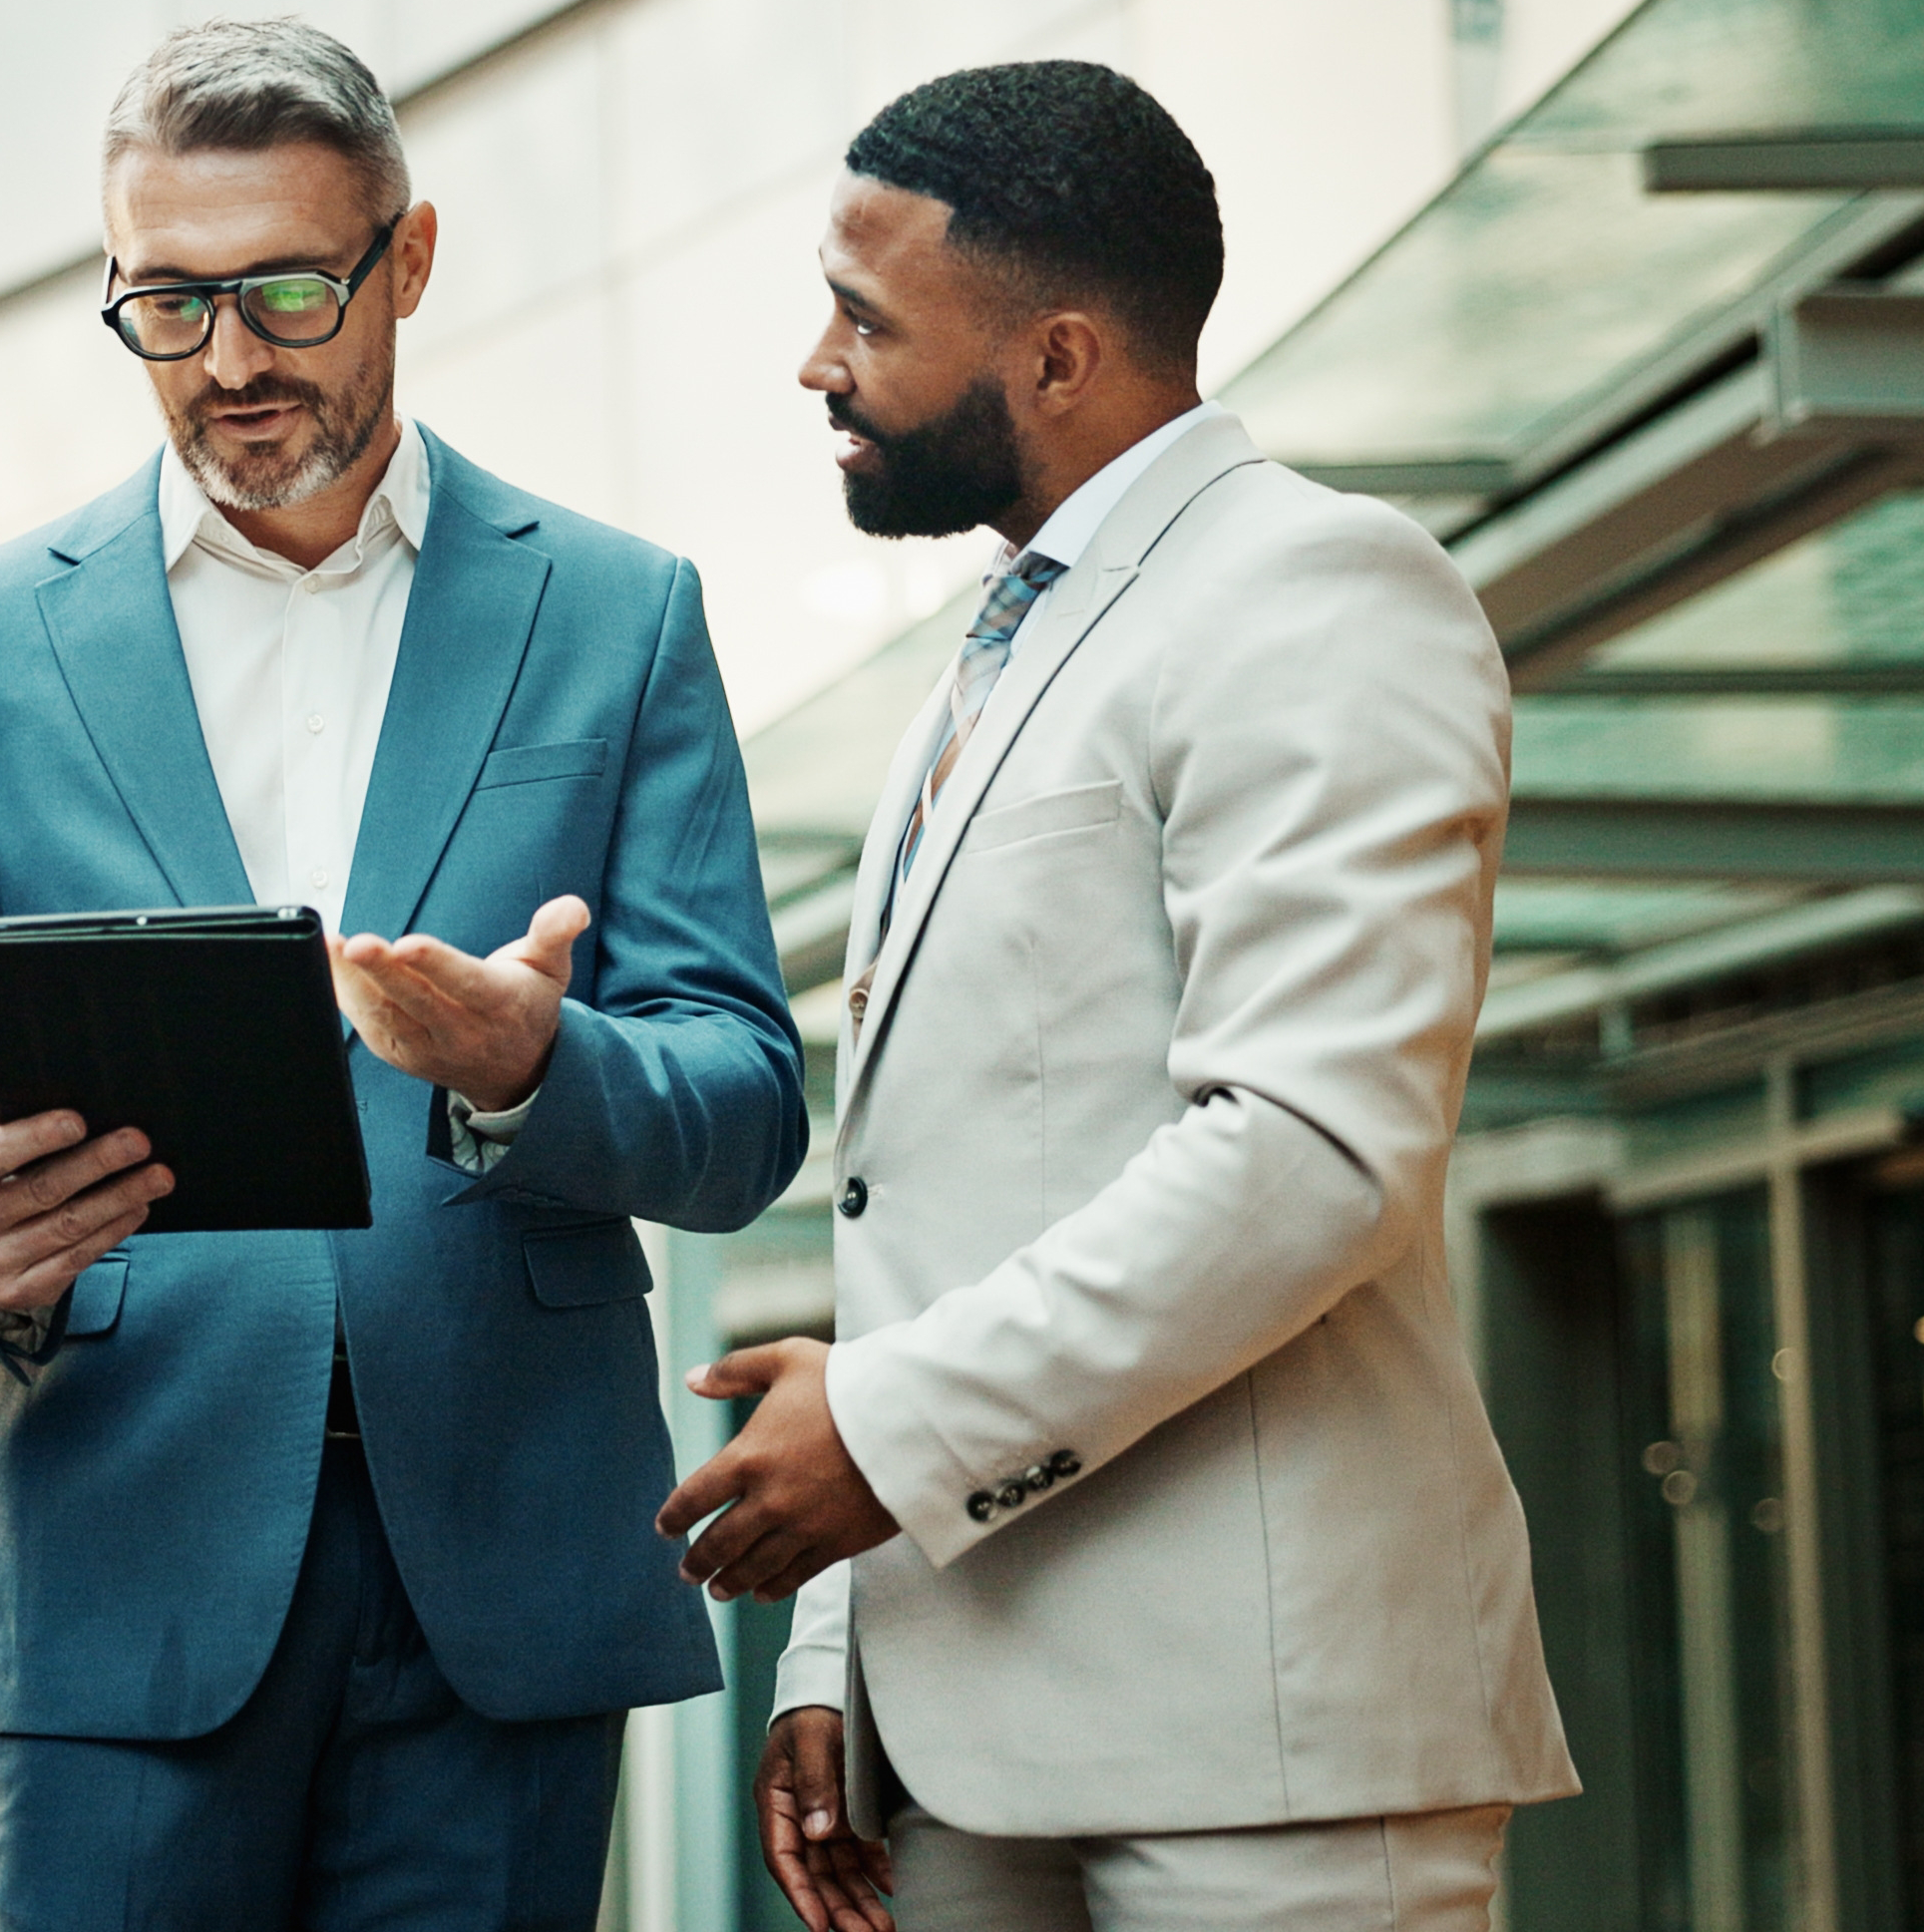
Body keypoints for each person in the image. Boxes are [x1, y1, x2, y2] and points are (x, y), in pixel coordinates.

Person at [0, 19, 805, 1928]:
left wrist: (533, 1066)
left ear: (408, 263)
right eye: (166, 304)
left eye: (285, 289)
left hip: (502, 1576)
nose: (232, 360)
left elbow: (744, 1100)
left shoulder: (617, 615)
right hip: (126, 1554)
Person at [654, 61, 1577, 1932]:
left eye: (865, 319)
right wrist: (843, 1654)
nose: (816, 367)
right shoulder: (993, 653)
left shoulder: (1318, 587)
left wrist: (888, 1438)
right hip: (970, 1746)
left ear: (1060, 357)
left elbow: (1313, 1150)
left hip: (1271, 1758)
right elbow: (915, 1213)